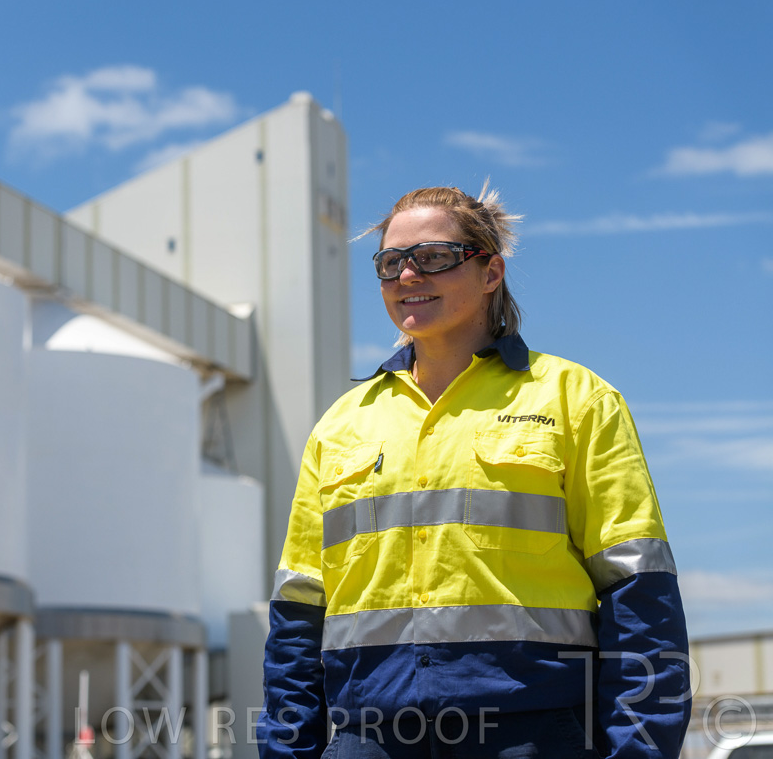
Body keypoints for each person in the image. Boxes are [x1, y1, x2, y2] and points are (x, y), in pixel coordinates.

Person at [258, 185, 690, 759]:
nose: (407, 275)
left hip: (535, 734)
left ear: (491, 272)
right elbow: (298, 612)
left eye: (433, 256)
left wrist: (639, 749)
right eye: (390, 262)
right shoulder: (340, 426)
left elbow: (638, 592)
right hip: (370, 738)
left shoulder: (577, 401)